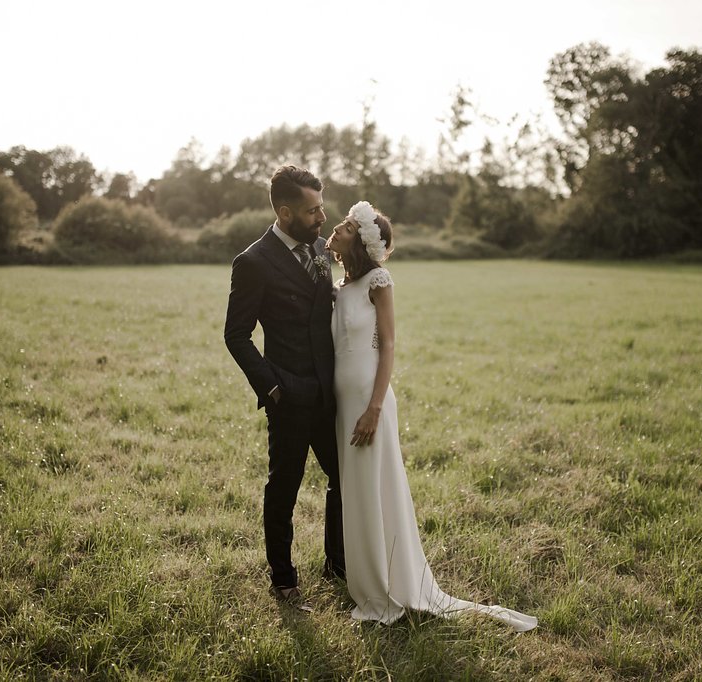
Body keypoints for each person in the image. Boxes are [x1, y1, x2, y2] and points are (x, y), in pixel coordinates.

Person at [325, 201, 538, 631]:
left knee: (376, 488)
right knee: (356, 493)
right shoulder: (338, 285)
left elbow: (388, 345)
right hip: (342, 403)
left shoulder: (377, 281)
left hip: (369, 400)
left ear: (363, 242)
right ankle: (366, 583)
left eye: (347, 226)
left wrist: (374, 408)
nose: (336, 227)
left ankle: (390, 587)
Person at [224, 165, 345, 609]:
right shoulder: (253, 262)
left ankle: (338, 563)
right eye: (313, 210)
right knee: (285, 487)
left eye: (322, 206)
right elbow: (235, 335)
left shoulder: (318, 247)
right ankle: (284, 579)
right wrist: (273, 388)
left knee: (344, 478)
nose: (322, 217)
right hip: (289, 395)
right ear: (285, 211)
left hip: (331, 392)